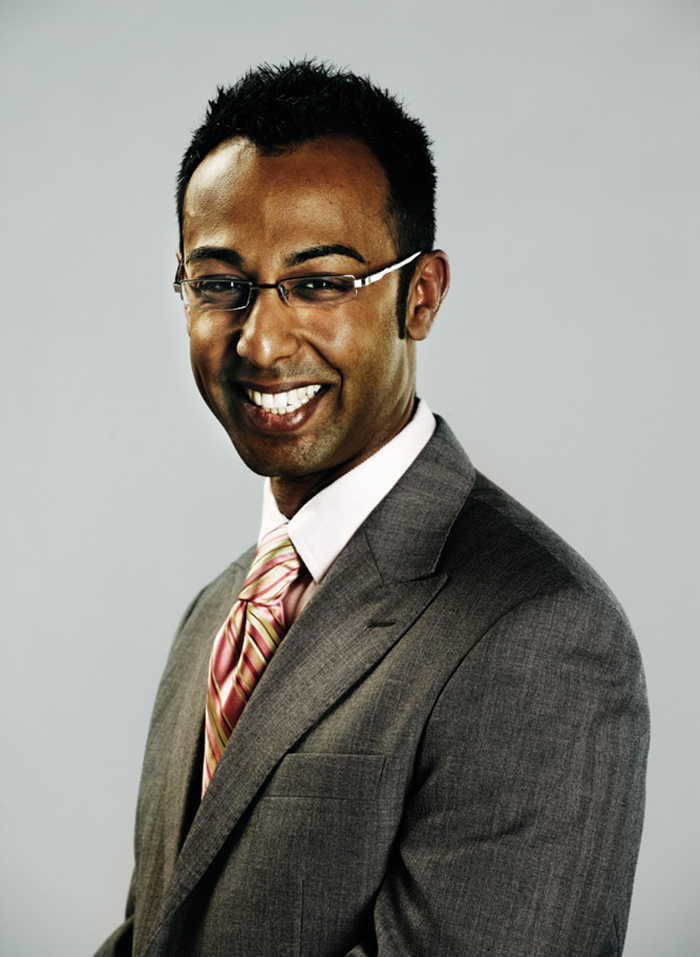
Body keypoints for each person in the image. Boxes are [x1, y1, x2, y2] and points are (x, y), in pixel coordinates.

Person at [95, 61, 649, 957]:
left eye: (320, 283)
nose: (261, 340)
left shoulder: (541, 635)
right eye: (220, 282)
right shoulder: (215, 615)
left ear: (419, 296)